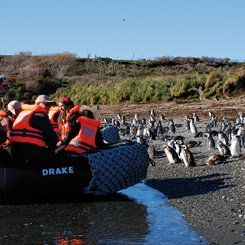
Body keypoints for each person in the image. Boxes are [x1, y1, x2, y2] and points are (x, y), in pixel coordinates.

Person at [11, 95, 58, 163]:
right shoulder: (41, 115)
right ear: (37, 104)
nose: (49, 107)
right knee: (57, 153)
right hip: (31, 153)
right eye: (46, 104)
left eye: (50, 104)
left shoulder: (24, 113)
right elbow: (52, 138)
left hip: (15, 152)